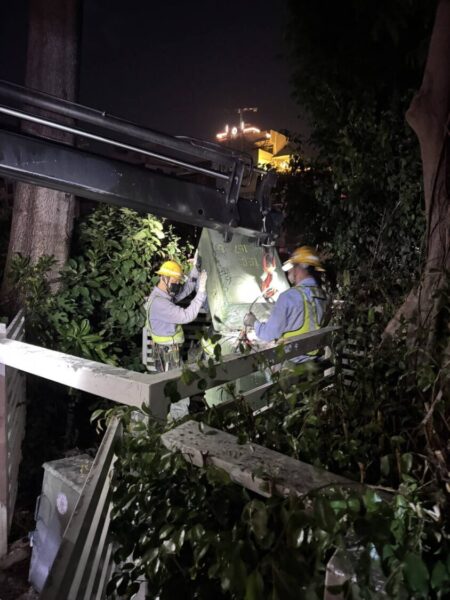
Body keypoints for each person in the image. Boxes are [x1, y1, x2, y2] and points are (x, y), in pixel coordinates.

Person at [243, 246, 328, 362]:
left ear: (300, 267)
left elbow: (269, 334)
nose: (288, 271)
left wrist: (253, 322)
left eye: (291, 266)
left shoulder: (289, 297)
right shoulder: (323, 296)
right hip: (315, 360)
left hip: (294, 362)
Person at [144, 257, 207, 372]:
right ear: (164, 277)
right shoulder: (160, 303)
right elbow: (187, 316)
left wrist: (195, 269)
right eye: (175, 281)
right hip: (167, 355)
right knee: (175, 381)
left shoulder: (162, 294)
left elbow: (186, 290)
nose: (177, 284)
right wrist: (201, 291)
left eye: (178, 281)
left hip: (168, 349)